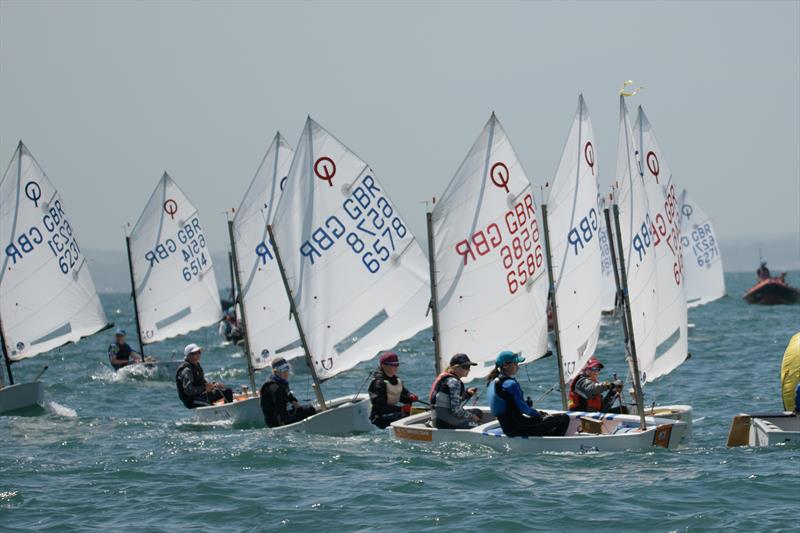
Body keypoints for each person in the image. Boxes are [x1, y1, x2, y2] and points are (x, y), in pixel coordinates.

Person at [486, 351, 569, 437]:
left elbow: (507, 405)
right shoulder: (510, 384)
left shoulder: (493, 382)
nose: (518, 366)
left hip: (508, 428)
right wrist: (539, 414)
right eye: (515, 363)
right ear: (505, 365)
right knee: (564, 418)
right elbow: (525, 409)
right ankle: (555, 445)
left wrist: (526, 405)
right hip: (520, 426)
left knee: (545, 424)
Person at [429, 353, 482, 429]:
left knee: (477, 412)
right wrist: (472, 416)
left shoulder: (447, 379)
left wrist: (466, 393)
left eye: (469, 367)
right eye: (465, 367)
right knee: (479, 425)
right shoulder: (454, 382)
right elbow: (456, 411)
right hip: (446, 422)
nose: (469, 370)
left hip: (437, 419)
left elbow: (449, 399)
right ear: (456, 367)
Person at [259, 357, 316, 427]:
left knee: (307, 409)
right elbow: (278, 411)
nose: (286, 372)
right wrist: (282, 427)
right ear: (276, 371)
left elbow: (288, 395)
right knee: (310, 410)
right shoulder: (275, 388)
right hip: (277, 422)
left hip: (283, 416)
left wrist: (293, 401)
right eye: (283, 369)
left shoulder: (281, 382)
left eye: (287, 368)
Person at [368, 351, 418, 429]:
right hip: (379, 418)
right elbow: (381, 406)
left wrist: (410, 396)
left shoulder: (396, 380)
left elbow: (403, 395)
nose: (396, 367)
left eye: (397, 364)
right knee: (409, 416)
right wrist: (401, 409)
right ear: (384, 365)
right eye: (394, 365)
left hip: (392, 413)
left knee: (419, 413)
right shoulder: (378, 383)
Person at [175, 343, 233, 409]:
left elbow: (202, 383)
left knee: (227, 391)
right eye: (194, 353)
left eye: (199, 352)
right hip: (192, 400)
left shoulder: (196, 366)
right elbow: (189, 390)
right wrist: (205, 388)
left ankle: (230, 411)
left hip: (200, 395)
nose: (198, 355)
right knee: (209, 405)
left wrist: (213, 386)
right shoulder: (186, 370)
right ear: (188, 355)